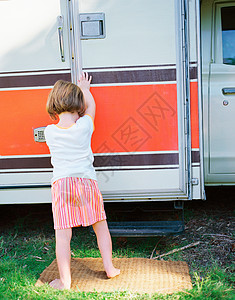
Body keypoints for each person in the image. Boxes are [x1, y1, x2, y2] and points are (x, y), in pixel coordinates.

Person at [44, 72, 120, 290]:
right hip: (86, 182)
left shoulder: (50, 132)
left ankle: (65, 281)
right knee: (100, 225)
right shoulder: (85, 126)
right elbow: (91, 108)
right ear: (79, 106)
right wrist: (85, 89)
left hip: (62, 184)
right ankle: (110, 268)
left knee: (63, 233)